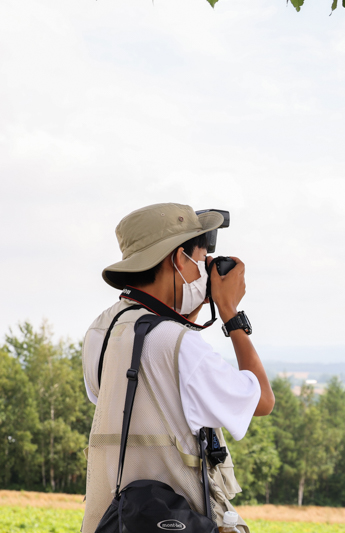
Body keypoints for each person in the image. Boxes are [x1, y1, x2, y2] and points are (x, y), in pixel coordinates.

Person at [80, 203, 274, 533]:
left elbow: (147, 396)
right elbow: (261, 401)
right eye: (200, 262)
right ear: (178, 260)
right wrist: (229, 311)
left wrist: (190, 303)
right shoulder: (179, 345)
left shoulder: (100, 332)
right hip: (177, 522)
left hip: (111, 523)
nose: (203, 272)